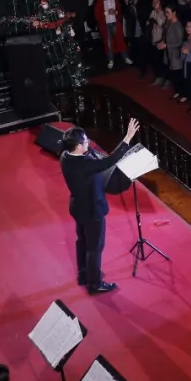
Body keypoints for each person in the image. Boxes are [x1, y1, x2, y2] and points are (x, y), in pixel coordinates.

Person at [60, 119, 140, 293]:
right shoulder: (84, 165)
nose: (88, 142)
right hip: (92, 210)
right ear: (79, 147)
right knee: (94, 248)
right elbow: (108, 162)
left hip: (78, 207)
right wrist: (127, 138)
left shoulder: (65, 157)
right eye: (86, 141)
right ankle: (94, 283)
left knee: (82, 241)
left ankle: (83, 274)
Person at [94, 0, 133, 70]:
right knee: (108, 42)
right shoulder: (100, 0)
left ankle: (125, 57)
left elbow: (119, 10)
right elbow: (97, 14)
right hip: (105, 24)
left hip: (115, 22)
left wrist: (115, 12)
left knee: (120, 40)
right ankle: (111, 59)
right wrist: (107, 12)